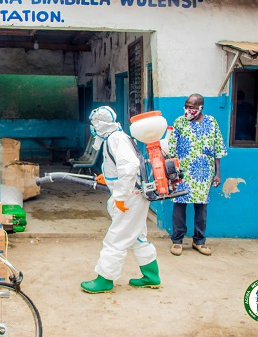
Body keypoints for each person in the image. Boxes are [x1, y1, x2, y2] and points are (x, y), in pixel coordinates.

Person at [80, 106, 160, 293]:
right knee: (138, 237)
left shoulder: (116, 139)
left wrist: (121, 197)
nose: (92, 127)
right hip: (134, 195)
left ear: (100, 124)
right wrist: (106, 177)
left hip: (130, 197)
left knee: (115, 239)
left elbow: (130, 167)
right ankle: (151, 276)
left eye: (93, 124)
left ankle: (104, 280)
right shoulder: (116, 137)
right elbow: (119, 167)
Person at [168, 94, 227, 256]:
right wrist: (171, 172)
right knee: (179, 205)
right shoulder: (180, 122)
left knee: (201, 208)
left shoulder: (211, 122)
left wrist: (217, 174)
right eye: (187, 106)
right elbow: (171, 147)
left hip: (204, 173)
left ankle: (199, 241)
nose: (188, 110)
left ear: (201, 107)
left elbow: (218, 148)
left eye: (192, 107)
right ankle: (177, 241)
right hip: (183, 172)